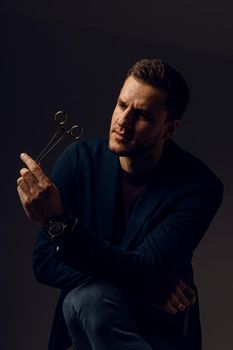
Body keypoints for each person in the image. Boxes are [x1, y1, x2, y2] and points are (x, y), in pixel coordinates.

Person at [17, 58, 223, 350]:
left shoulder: (199, 186)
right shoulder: (78, 160)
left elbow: (142, 269)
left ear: (169, 128)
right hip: (84, 329)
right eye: (122, 105)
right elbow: (44, 263)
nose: (123, 122)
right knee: (88, 298)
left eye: (143, 116)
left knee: (86, 295)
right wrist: (150, 287)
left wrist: (59, 222)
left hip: (156, 333)